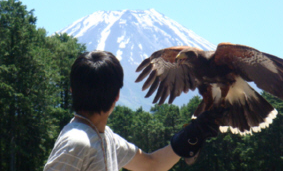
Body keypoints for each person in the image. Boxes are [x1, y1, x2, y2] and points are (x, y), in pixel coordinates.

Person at [44, 50, 222, 171]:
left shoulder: (107, 139)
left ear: (72, 91)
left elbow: (151, 165)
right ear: (117, 96)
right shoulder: (76, 142)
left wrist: (191, 135)